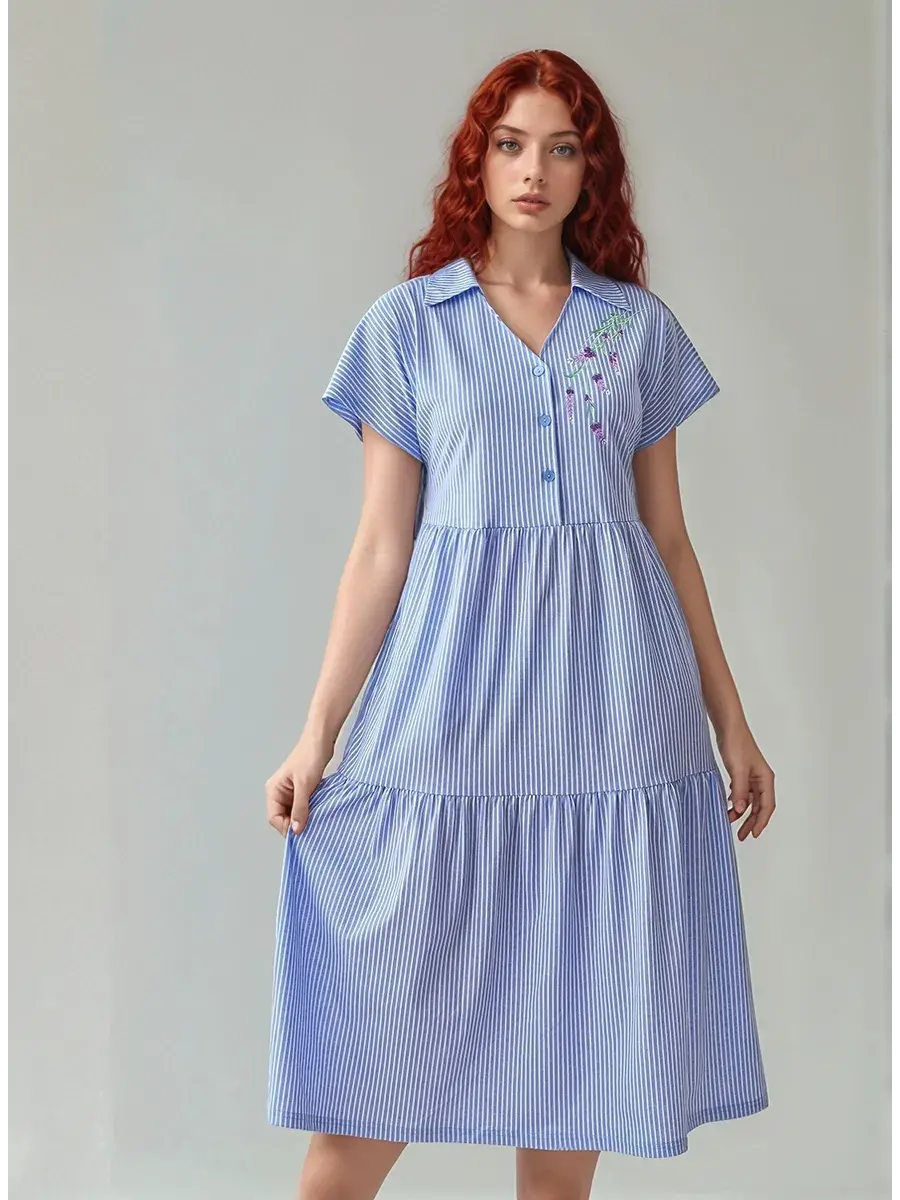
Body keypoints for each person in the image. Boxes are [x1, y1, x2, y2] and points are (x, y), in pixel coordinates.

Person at [265, 47, 774, 1200]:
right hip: (452, 719)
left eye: (560, 147)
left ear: (593, 170)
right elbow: (381, 548)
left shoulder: (635, 331)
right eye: (510, 145)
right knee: (351, 1137)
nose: (533, 171)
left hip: (613, 726)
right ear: (477, 163)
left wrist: (732, 726)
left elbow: (668, 540)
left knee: (566, 1125)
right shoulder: (409, 328)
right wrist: (316, 735)